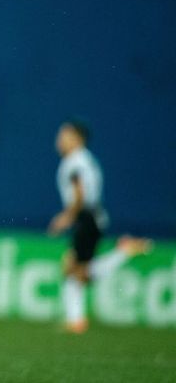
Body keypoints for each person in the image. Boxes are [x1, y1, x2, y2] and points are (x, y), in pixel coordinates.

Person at [48, 120, 151, 334]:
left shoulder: (75, 162)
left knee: (78, 271)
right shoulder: (85, 159)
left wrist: (67, 216)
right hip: (91, 217)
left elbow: (79, 193)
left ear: (77, 138)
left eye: (64, 135)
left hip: (87, 218)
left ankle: (124, 251)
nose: (59, 140)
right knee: (74, 269)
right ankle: (75, 320)